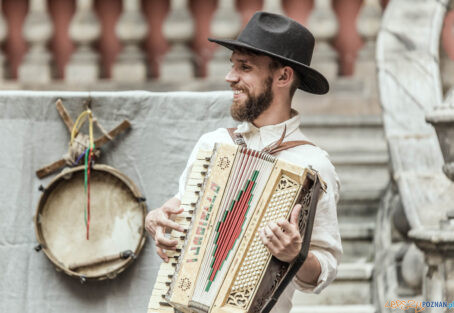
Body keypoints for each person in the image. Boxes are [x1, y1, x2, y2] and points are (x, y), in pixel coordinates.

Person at [146, 11, 342, 312]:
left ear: (283, 76)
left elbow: (323, 270)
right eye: (232, 65)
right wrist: (158, 219)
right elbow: (181, 214)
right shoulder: (213, 144)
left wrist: (296, 255)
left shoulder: (313, 165)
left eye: (245, 67)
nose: (230, 77)